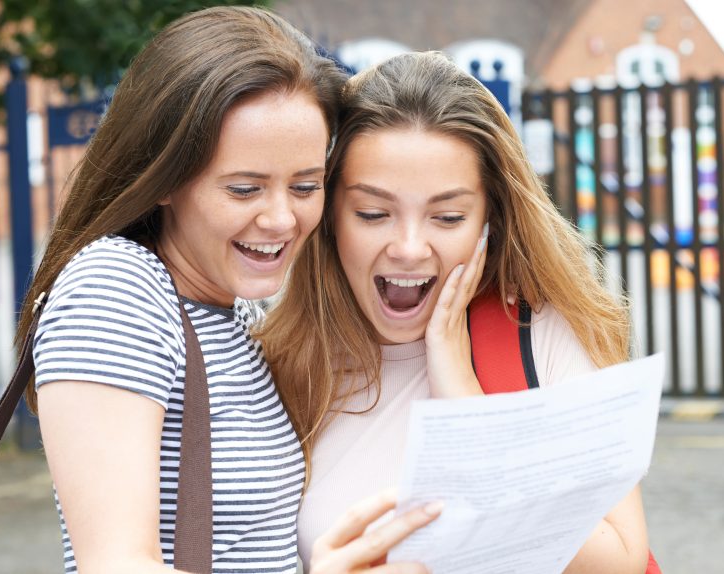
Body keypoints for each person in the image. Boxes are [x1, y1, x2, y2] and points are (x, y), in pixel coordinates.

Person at [16, 8, 438, 574]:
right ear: (163, 177)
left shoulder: (234, 311)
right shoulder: (117, 287)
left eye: (306, 186)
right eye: (244, 189)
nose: (282, 219)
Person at [258, 51, 650, 573]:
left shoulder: (542, 334)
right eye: (373, 213)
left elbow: (619, 563)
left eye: (447, 216)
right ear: (330, 217)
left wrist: (463, 398)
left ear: (490, 218)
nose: (409, 247)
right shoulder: (282, 361)